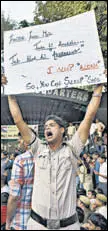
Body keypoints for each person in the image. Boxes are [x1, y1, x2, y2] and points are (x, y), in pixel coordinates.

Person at [6, 78, 105, 230]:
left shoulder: (72, 149)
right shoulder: (38, 149)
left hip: (68, 226)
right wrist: (10, 92)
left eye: (52, 125)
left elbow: (89, 116)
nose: (47, 128)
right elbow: (18, 120)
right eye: (45, 127)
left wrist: (99, 87)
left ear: (62, 130)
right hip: (37, 225)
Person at [5, 131, 36, 230]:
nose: (19, 144)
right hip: (40, 221)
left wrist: (8, 222)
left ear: (26, 141)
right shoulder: (45, 158)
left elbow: (14, 197)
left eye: (19, 141)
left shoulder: (21, 159)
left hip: (22, 221)